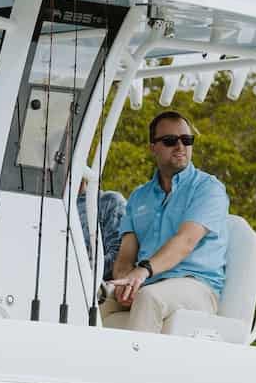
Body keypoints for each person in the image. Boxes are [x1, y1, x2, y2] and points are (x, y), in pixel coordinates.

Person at [99, 110, 230, 334]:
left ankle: (136, 359)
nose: (180, 146)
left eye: (186, 140)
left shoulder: (208, 188)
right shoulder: (139, 196)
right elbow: (125, 256)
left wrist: (142, 273)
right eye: (170, 141)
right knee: (93, 300)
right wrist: (125, 282)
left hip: (196, 285)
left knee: (148, 298)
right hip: (148, 282)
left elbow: (185, 241)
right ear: (153, 147)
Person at [76, 178, 127, 280]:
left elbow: (118, 258)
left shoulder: (109, 201)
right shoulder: (48, 210)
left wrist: (75, 272)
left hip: (88, 285)